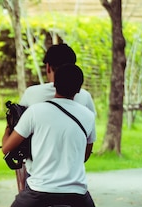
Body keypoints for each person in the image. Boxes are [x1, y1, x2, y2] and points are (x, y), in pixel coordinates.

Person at [1, 64, 99, 207]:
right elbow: (85, 154)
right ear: (79, 88)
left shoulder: (36, 111)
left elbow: (8, 147)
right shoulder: (87, 116)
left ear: (54, 82)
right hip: (75, 191)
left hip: (40, 190)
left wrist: (8, 128)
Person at [14, 43, 96, 191]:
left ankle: (24, 199)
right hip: (72, 170)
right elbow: (89, 138)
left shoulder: (32, 93)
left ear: (48, 67)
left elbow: (18, 128)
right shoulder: (84, 97)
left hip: (38, 167)